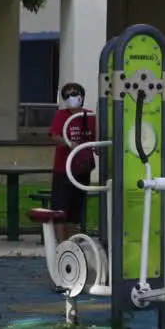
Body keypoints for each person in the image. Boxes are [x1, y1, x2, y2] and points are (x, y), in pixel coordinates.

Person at [49, 82, 96, 243]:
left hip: (82, 170)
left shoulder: (90, 116)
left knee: (76, 211)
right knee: (60, 209)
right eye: (66, 95)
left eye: (74, 94)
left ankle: (73, 244)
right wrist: (68, 143)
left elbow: (96, 140)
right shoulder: (61, 115)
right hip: (63, 170)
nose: (71, 98)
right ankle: (62, 247)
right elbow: (54, 136)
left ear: (81, 96)